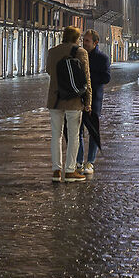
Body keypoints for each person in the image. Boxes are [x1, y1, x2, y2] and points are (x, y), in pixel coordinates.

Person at [44, 26, 91, 181]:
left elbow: (49, 70)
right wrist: (88, 101)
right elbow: (86, 79)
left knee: (56, 135)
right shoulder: (81, 52)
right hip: (74, 99)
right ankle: (70, 171)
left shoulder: (52, 51)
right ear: (77, 38)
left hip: (55, 98)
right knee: (73, 136)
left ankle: (56, 171)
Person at [77, 28, 112, 174]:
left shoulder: (102, 58)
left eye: (87, 41)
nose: (84, 43)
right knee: (77, 131)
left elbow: (106, 78)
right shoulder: (78, 55)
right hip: (78, 98)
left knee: (92, 130)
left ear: (95, 42)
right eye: (83, 40)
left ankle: (90, 162)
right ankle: (78, 161)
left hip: (95, 99)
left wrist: (88, 79)